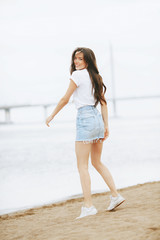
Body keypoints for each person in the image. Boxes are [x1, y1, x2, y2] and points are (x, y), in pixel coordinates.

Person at [45, 47, 125, 219]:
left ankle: (88, 206)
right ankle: (115, 195)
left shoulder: (77, 75)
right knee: (97, 162)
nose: (77, 62)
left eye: (80, 59)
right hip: (97, 120)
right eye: (75, 58)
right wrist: (105, 125)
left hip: (85, 120)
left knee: (82, 166)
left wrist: (51, 115)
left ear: (88, 60)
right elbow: (103, 104)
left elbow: (65, 99)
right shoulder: (96, 76)